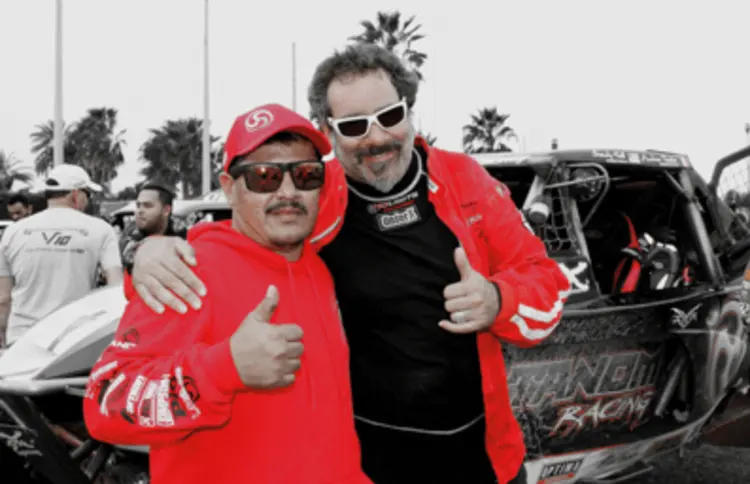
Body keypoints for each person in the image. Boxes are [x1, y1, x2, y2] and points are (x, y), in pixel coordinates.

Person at [129, 44, 571, 484]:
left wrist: (498, 300)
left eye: (390, 116)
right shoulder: (316, 193)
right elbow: (247, 233)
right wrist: (155, 251)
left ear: (410, 111)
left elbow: (546, 279)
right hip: (368, 465)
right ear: (329, 130)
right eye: (355, 125)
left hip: (482, 458)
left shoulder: (464, 181)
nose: (376, 138)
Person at [83, 104, 370, 484]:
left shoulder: (318, 266)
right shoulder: (187, 271)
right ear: (230, 188)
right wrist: (224, 368)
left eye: (306, 175)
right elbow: (104, 404)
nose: (288, 192)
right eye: (264, 177)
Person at [0, 164, 123, 347]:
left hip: (23, 335)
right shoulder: (101, 230)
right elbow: (115, 287)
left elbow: (3, 297)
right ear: (75, 194)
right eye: (87, 194)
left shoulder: (13, 232)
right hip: (75, 337)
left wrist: (3, 331)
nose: (88, 200)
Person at [119, 181, 186, 299]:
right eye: (138, 205)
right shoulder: (130, 237)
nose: (140, 211)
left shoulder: (182, 234)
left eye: (147, 206)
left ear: (166, 210)